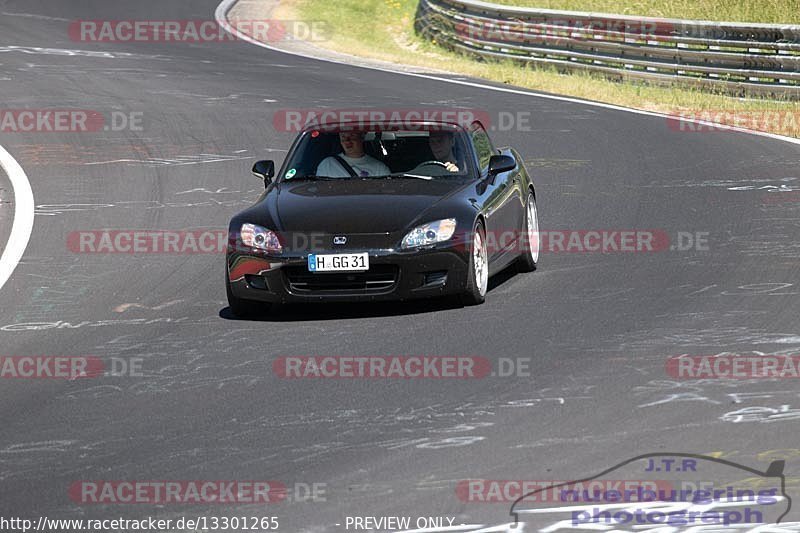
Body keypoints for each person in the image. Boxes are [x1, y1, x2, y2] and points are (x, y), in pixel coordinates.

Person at [316, 131, 390, 178]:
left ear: (362, 137)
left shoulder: (379, 169)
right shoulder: (327, 164)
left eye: (352, 136)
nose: (347, 141)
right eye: (343, 137)